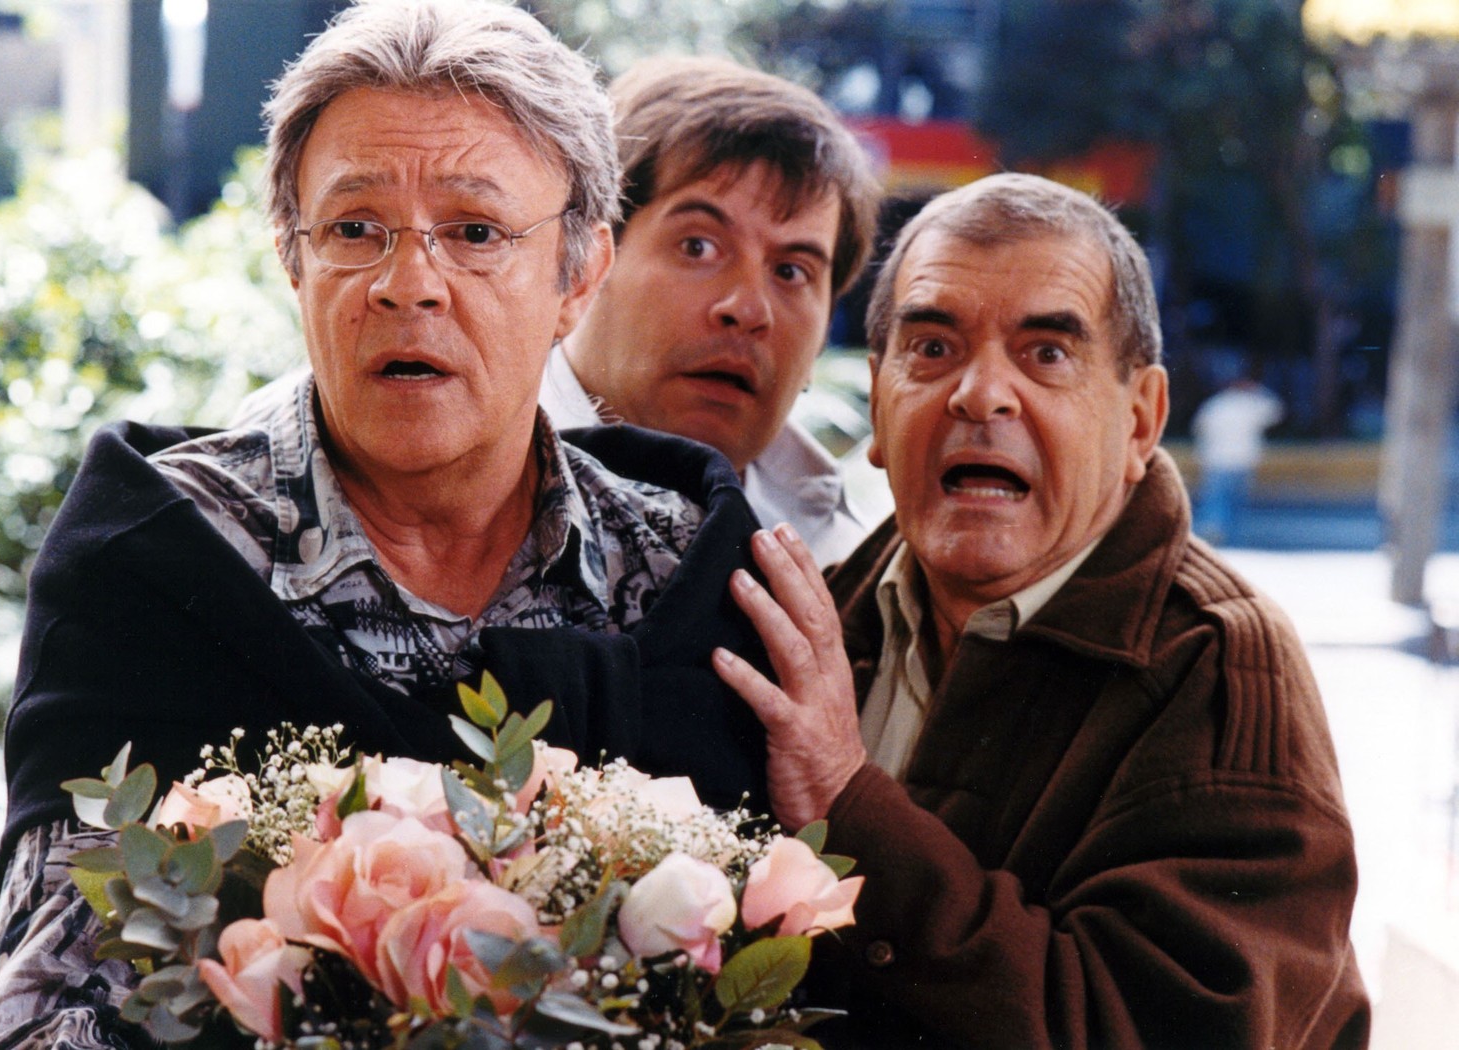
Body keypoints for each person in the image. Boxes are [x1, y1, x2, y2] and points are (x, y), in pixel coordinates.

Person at [0, 2, 771, 1045]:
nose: (408, 285)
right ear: (292, 257)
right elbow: (48, 1006)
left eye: (475, 233)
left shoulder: (672, 567)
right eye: (355, 230)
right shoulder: (165, 554)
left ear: (578, 275)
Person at [712, 173, 1369, 1048]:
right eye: (933, 347)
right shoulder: (818, 617)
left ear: (1141, 421)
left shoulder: (1218, 666)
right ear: (877, 401)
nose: (981, 395)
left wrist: (849, 803)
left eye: (1047, 354)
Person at [539, 56, 884, 567]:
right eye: (698, 247)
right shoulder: (457, 487)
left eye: (791, 271)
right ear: (588, 266)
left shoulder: (851, 566)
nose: (748, 309)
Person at [1191, 371, 1285, 545]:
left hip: (1216, 460)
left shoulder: (1214, 405)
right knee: (1235, 502)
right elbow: (1276, 411)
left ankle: (1212, 535)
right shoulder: (1250, 404)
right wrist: (1259, 391)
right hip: (1240, 461)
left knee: (1215, 500)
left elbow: (1199, 428)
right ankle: (1232, 538)